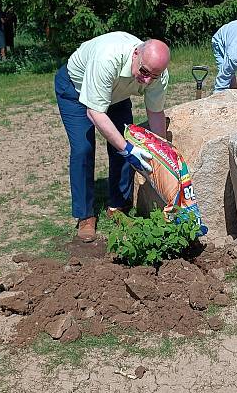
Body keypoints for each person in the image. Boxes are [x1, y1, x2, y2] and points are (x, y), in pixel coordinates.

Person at [55, 32, 170, 242]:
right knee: (83, 149)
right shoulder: (107, 58)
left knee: (124, 138)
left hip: (116, 95)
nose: (146, 80)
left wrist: (160, 149)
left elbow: (155, 112)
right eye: (144, 71)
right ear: (136, 54)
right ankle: (86, 215)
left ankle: (118, 205)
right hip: (76, 91)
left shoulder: (156, 73)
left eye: (153, 76)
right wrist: (128, 149)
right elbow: (94, 112)